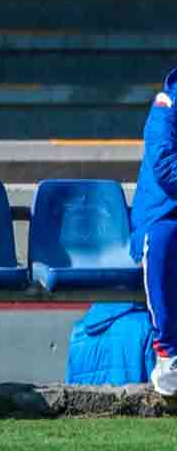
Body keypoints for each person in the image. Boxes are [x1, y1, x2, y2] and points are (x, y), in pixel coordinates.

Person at [130, 67, 177, 397]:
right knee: (162, 241)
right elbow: (164, 164)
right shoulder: (167, 106)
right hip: (162, 214)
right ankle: (168, 355)